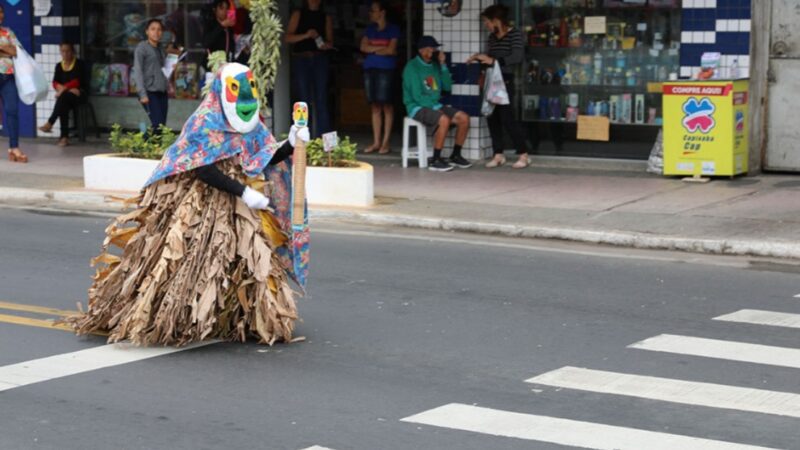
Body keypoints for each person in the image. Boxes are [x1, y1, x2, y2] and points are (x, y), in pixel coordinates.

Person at [65, 63, 311, 346]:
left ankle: (236, 317)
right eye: (236, 90)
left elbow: (263, 158)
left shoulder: (252, 125)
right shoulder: (203, 122)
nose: (245, 99)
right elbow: (202, 170)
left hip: (241, 209)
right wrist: (243, 192)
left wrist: (290, 143)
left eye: (250, 89)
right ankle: (177, 318)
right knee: (190, 259)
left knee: (245, 261)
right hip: (201, 202)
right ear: (221, 91)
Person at [467, 5, 529, 169]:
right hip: (491, 80)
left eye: (487, 21)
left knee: (508, 119)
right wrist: (480, 60)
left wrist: (494, 61)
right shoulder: (492, 37)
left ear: (496, 20)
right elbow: (490, 58)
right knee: (492, 118)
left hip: (506, 81)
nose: (486, 25)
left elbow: (517, 56)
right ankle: (498, 154)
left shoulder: (515, 34)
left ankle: (523, 154)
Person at [402, 35, 471, 172]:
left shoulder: (434, 66)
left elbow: (447, 87)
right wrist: (435, 108)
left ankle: (455, 155)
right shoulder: (412, 67)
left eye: (435, 48)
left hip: (434, 105)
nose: (434, 51)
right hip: (416, 106)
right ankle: (435, 160)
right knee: (443, 119)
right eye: (431, 48)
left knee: (464, 118)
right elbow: (416, 96)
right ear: (421, 50)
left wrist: (443, 65)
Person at [285, 0, 333, 138]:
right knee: (303, 100)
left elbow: (330, 42)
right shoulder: (298, 14)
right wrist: (306, 35)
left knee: (321, 99)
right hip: (302, 58)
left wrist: (323, 43)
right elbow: (288, 37)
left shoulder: (326, 16)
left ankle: (324, 141)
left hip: (319, 58)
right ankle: (303, 138)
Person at [360, 1, 399, 154]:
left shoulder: (393, 29)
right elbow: (363, 47)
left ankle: (386, 142)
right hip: (370, 69)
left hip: (387, 70)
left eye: (373, 10)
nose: (370, 13)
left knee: (387, 105)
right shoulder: (369, 29)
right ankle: (376, 142)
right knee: (375, 105)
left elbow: (391, 50)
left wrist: (372, 49)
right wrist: (381, 48)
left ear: (382, 12)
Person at [132, 19, 177, 132]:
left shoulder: (161, 49)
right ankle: (140, 146)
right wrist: (142, 94)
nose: (156, 32)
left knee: (161, 126)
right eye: (152, 29)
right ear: (147, 31)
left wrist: (172, 66)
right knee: (157, 124)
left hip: (162, 91)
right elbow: (137, 70)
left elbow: (164, 71)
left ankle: (151, 147)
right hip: (149, 91)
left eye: (159, 30)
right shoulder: (142, 48)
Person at [38, 42, 86, 147]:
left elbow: (78, 81)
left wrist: (63, 89)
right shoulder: (59, 66)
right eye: (63, 51)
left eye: (68, 51)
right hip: (67, 95)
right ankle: (63, 137)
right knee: (63, 101)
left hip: (79, 94)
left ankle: (55, 128)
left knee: (63, 99)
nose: (65, 54)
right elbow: (55, 82)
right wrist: (64, 90)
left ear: (72, 52)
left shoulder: (79, 64)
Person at [0, 5, 26, 163]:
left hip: (8, 77)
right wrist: (6, 48)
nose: (0, 15)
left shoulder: (8, 32)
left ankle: (14, 147)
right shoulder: (7, 36)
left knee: (12, 111)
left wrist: (3, 49)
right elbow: (11, 50)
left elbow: (17, 51)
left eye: (1, 12)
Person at [203, 0, 236, 64]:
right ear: (214, 10)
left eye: (226, 8)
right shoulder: (210, 24)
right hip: (211, 63)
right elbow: (206, 42)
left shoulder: (229, 27)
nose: (224, 11)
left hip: (226, 63)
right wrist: (221, 26)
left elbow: (231, 45)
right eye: (221, 8)